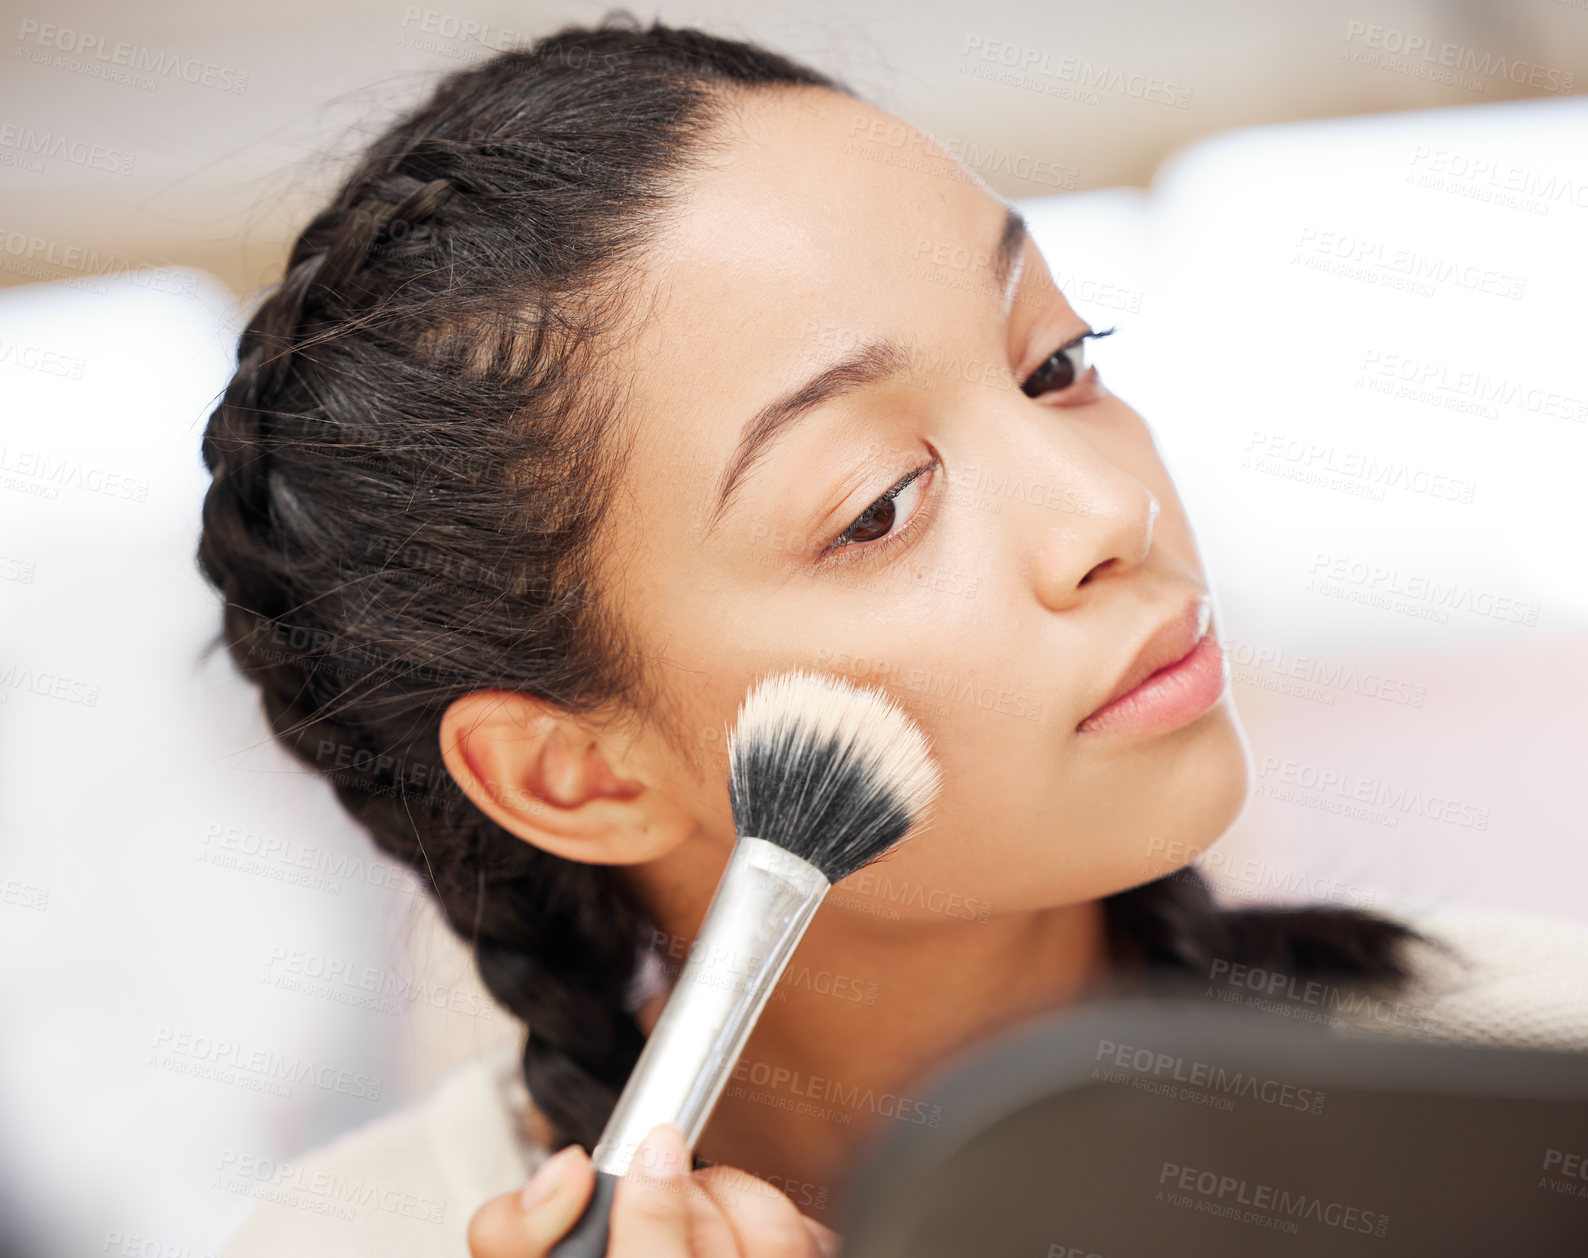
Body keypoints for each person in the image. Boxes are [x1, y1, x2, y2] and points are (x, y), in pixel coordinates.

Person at [196, 12, 1588, 1257]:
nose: (1112, 505)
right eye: (880, 507)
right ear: (576, 771)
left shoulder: (1538, 1067)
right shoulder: (348, 1237)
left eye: (1057, 360)